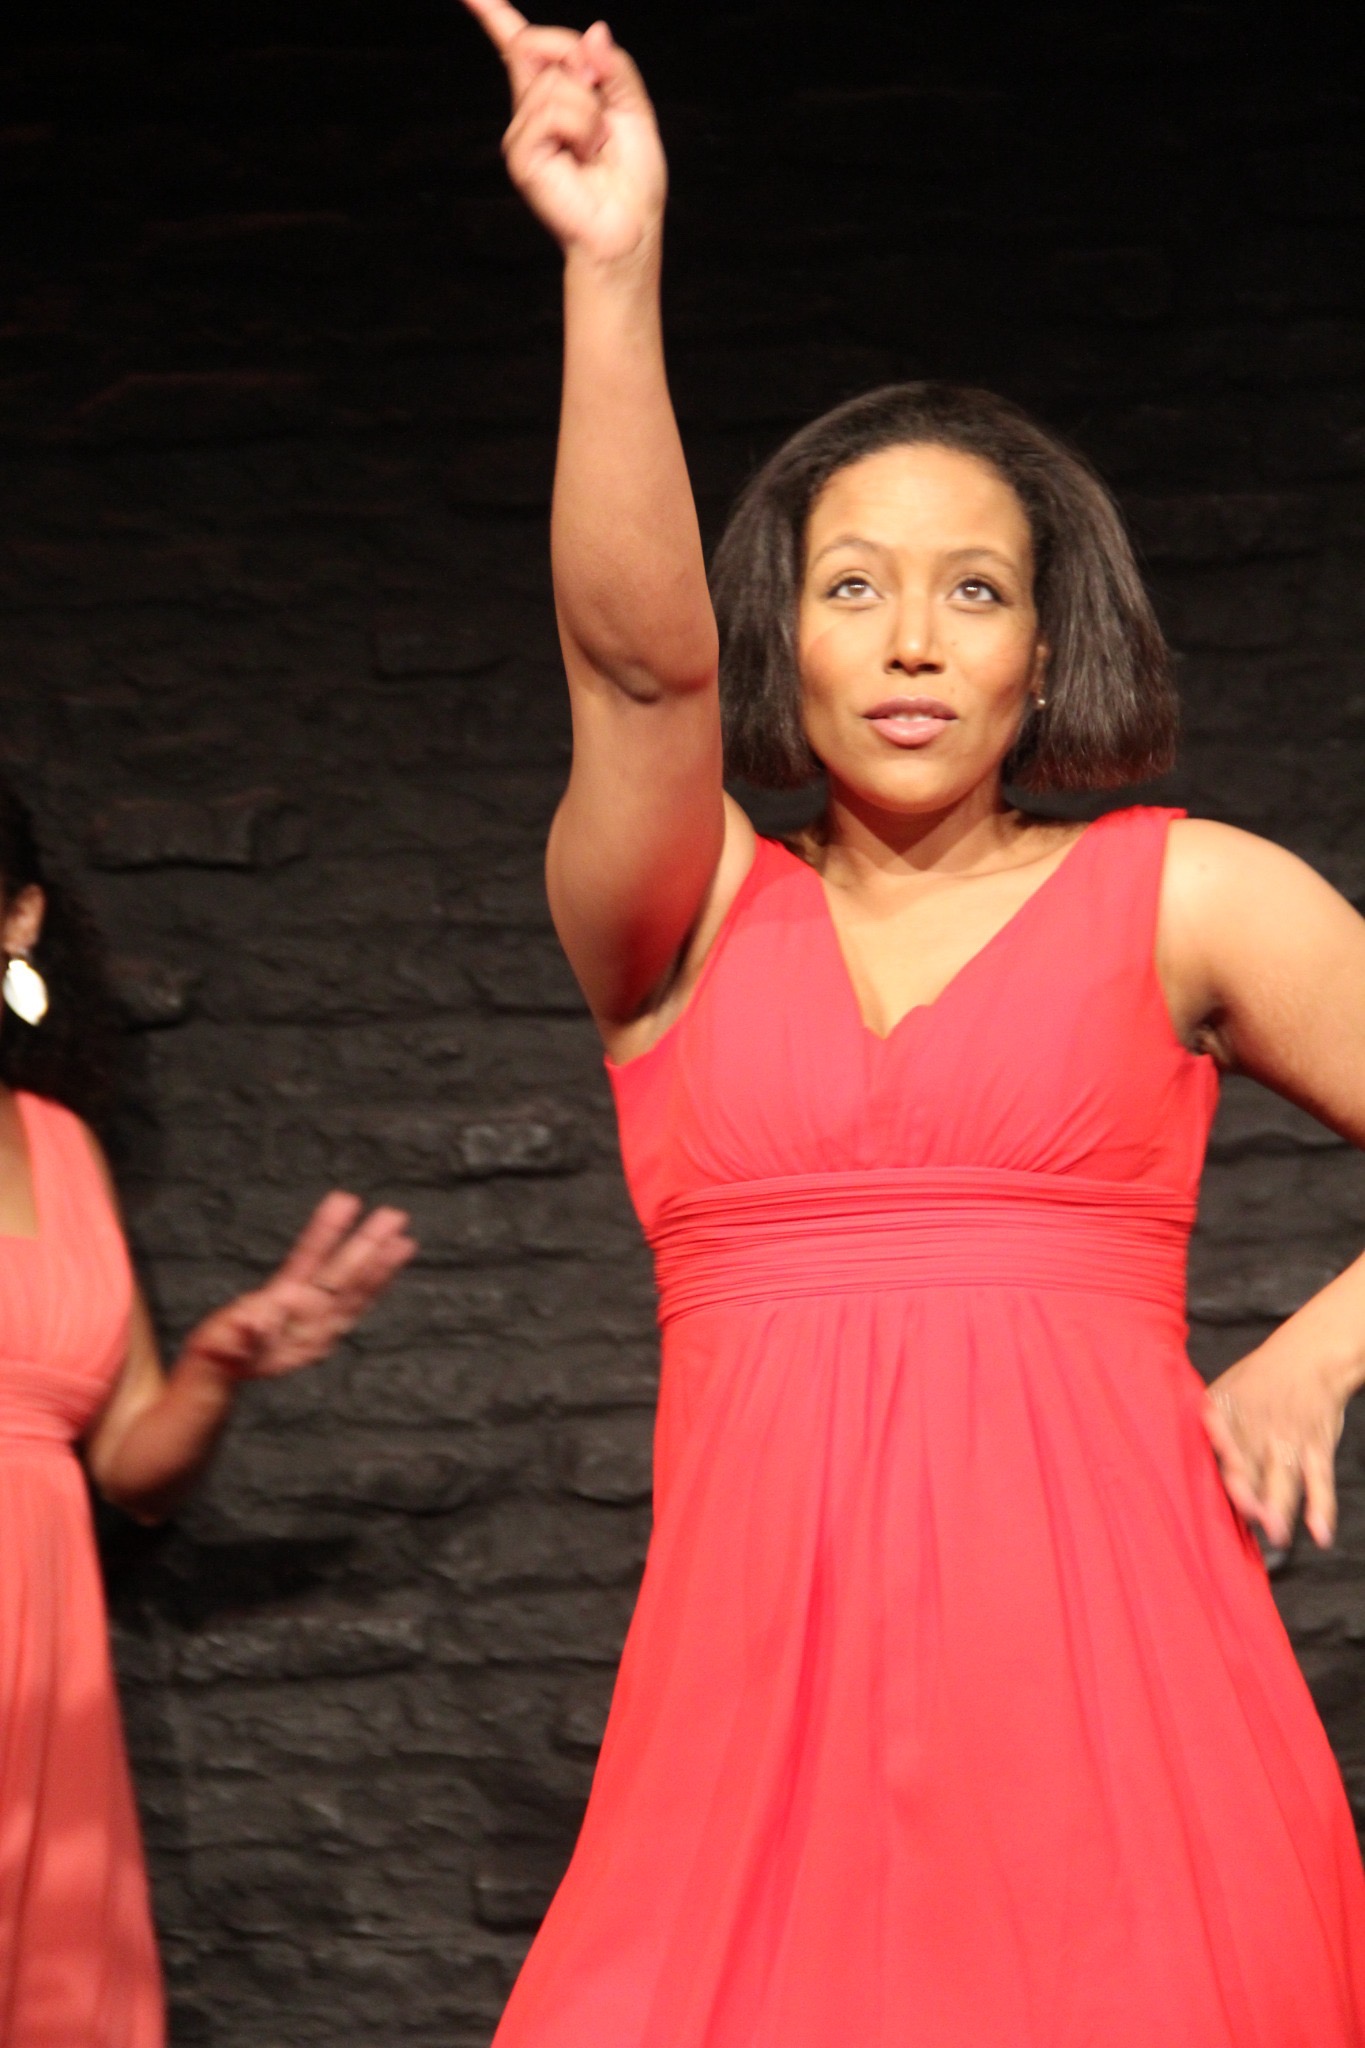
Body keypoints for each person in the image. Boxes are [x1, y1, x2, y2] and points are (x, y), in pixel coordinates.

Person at [461, 6, 1365, 2043]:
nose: (907, 635)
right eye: (853, 583)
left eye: (973, 592)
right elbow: (628, 678)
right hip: (739, 1766)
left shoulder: (1181, 892)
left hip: (1128, 1753)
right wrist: (613, 272)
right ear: (781, 628)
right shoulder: (678, 919)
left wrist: (1316, 1352)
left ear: (1045, 655)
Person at [0, 778, 416, 2048]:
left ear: (16, 919)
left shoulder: (58, 1146)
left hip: (44, 1687)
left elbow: (131, 1463)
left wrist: (216, 1371)